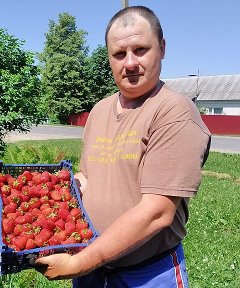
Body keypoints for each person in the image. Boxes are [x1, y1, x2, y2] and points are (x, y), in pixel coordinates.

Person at [34, 5, 211, 287]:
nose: (129, 63)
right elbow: (89, 177)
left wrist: (79, 262)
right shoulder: (100, 110)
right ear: (109, 58)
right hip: (91, 265)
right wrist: (54, 193)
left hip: (147, 273)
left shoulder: (174, 111)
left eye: (140, 49)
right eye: (119, 54)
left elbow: (157, 212)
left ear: (162, 48)